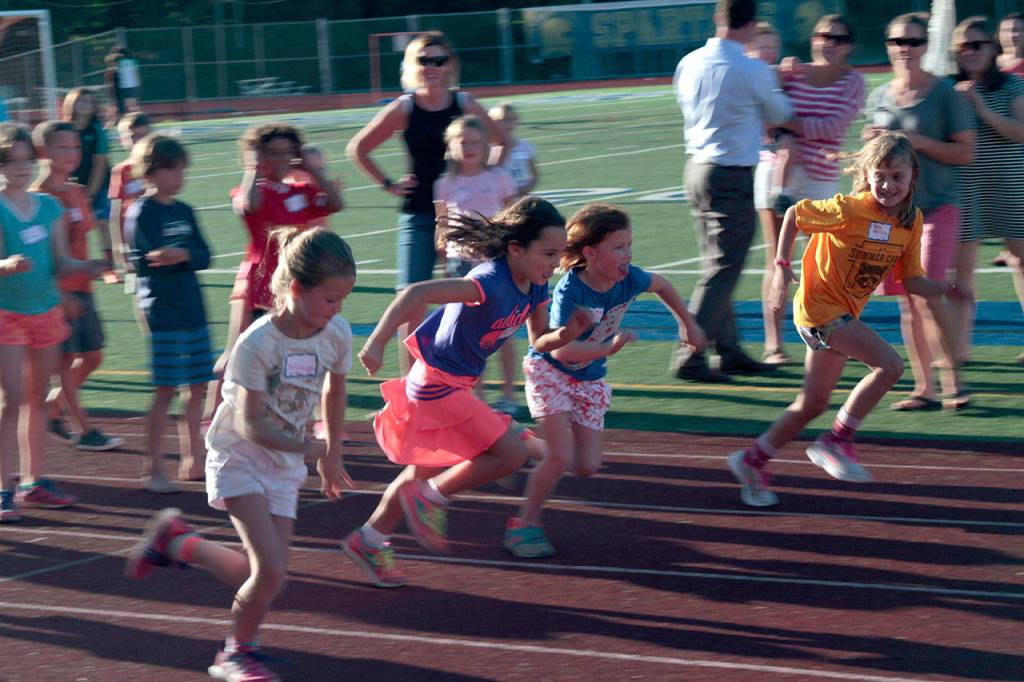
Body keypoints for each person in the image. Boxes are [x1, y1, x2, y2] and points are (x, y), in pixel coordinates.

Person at [125, 228, 356, 682]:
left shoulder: (335, 333)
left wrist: (332, 451)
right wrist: (308, 448)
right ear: (295, 290)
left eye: (342, 299)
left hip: (285, 463)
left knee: (268, 576)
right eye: (331, 299)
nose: (338, 309)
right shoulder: (257, 344)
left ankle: (177, 541)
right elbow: (252, 425)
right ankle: (235, 653)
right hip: (241, 455)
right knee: (270, 571)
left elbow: (336, 388)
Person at [341, 197, 592, 587]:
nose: (554, 264)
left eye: (559, 255)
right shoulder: (486, 283)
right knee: (511, 453)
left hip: (456, 387)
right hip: (435, 385)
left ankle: (369, 539)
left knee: (421, 470)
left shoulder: (536, 288)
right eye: (547, 253)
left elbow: (540, 340)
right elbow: (415, 295)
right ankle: (433, 498)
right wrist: (375, 343)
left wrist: (570, 334)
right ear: (515, 249)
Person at [727, 132, 958, 507]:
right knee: (889, 365)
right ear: (866, 176)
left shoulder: (909, 222)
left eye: (896, 176)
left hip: (841, 314)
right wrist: (781, 265)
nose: (887, 185)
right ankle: (836, 440)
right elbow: (795, 214)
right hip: (819, 311)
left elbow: (911, 280)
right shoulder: (849, 210)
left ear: (913, 177)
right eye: (879, 175)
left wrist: (945, 288)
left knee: (812, 403)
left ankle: (751, 460)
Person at [506, 204, 706, 558]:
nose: (627, 255)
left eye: (629, 245)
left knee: (586, 466)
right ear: (590, 253)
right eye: (618, 248)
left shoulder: (629, 278)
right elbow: (561, 353)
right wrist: (607, 349)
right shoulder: (571, 293)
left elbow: (662, 284)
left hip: (589, 377)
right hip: (550, 372)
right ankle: (524, 524)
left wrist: (686, 324)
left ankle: (524, 442)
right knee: (557, 459)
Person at [346, 31, 504, 375]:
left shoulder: (464, 103)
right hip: (419, 213)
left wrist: (486, 182)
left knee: (479, 298)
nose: (432, 67)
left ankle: (466, 380)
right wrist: (388, 183)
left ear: (450, 65)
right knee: (412, 297)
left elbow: (501, 141)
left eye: (439, 59)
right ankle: (410, 383)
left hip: (466, 217)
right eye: (424, 60)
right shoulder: (405, 107)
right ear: (412, 65)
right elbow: (358, 148)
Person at [671, 0, 791, 383]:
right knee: (723, 269)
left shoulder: (690, 61)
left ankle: (728, 349)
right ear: (752, 24)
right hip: (730, 171)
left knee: (716, 265)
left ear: (717, 19)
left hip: (696, 166)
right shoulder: (751, 67)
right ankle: (689, 353)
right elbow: (779, 113)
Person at [0, 124, 108, 522]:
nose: (21, 167)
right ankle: (3, 487)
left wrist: (89, 266)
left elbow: (61, 261)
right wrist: (7, 266)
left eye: (27, 159)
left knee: (35, 399)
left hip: (46, 312)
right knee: (11, 399)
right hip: (6, 315)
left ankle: (34, 481)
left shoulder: (49, 207)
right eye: (12, 160)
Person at [865, 12, 973, 410]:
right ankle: (924, 388)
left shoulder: (944, 93)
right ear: (887, 46)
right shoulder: (878, 97)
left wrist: (917, 141)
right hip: (894, 216)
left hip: (938, 206)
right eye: (897, 42)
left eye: (912, 41)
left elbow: (965, 152)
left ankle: (954, 381)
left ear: (925, 46)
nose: (904, 49)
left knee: (927, 294)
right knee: (907, 302)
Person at [204, 123, 343, 429]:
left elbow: (335, 202)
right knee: (242, 351)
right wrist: (254, 165)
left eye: (287, 153)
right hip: (259, 282)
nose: (281, 159)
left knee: (293, 354)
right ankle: (213, 416)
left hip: (294, 284)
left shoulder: (301, 191)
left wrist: (313, 169)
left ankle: (291, 417)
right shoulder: (251, 188)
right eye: (273, 153)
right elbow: (248, 206)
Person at [124, 135, 215, 491]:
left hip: (193, 308)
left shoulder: (185, 210)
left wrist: (182, 255)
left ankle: (193, 459)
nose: (180, 176)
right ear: (153, 171)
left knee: (196, 387)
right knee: (165, 391)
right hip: (163, 312)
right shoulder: (141, 212)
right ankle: (153, 468)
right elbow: (148, 261)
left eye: (181, 169)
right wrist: (180, 255)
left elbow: (205, 255)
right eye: (173, 169)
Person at [31, 121, 124, 451]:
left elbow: (83, 233)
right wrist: (57, 293)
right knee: (67, 360)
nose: (71, 154)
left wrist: (99, 263)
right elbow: (43, 254)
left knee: (93, 357)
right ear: (44, 151)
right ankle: (85, 430)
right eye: (62, 147)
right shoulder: (39, 197)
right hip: (58, 291)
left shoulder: (75, 191)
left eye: (75, 148)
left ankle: (52, 408)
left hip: (83, 286)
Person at [949, 16, 1024, 367]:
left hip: (1008, 183)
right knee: (962, 271)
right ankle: (959, 349)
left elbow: (1020, 132)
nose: (971, 52)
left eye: (978, 44)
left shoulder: (1010, 86)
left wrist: (979, 107)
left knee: (1022, 261)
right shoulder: (947, 88)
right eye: (964, 46)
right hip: (964, 186)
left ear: (993, 48)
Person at [433, 115, 519, 413]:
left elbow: (515, 217)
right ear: (450, 146)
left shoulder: (499, 178)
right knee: (468, 335)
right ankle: (475, 396)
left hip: (494, 263)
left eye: (475, 142)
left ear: (486, 146)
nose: (469, 148)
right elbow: (441, 223)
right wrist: (443, 257)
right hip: (461, 263)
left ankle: (509, 395)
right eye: (462, 142)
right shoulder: (445, 183)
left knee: (501, 330)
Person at [62, 88, 113, 282]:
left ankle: (109, 267)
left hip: (97, 185)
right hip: (72, 187)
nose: (84, 105)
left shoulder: (97, 130)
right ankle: (71, 265)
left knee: (102, 224)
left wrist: (90, 193)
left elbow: (100, 164)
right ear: (71, 104)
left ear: (94, 106)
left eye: (89, 102)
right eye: (80, 101)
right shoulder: (64, 128)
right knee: (70, 225)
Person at [991, 13, 1024, 269]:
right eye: (1007, 30)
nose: (1012, 35)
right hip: (996, 138)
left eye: (1017, 30)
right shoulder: (992, 63)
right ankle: (1007, 246)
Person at [108, 112, 152, 277]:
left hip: (156, 233)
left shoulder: (159, 165)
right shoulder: (121, 171)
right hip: (133, 236)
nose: (138, 141)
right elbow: (116, 213)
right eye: (133, 136)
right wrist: (120, 249)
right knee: (135, 282)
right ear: (122, 140)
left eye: (143, 136)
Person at [489, 103, 539, 197]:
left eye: (511, 119)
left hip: (521, 196)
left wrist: (525, 189)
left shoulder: (525, 146)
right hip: (500, 197)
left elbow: (534, 175)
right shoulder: (489, 149)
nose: (508, 124)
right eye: (503, 120)